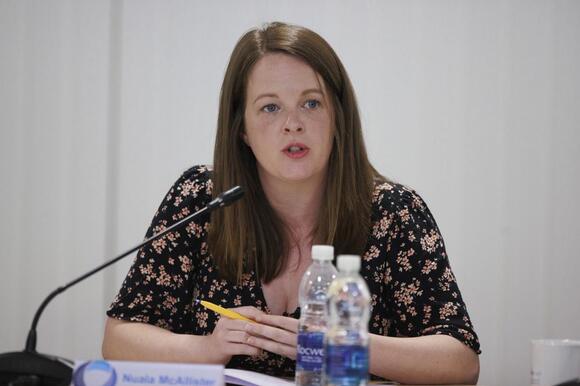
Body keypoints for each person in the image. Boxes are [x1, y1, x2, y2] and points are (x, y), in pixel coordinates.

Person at [102, 21, 480, 384]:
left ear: (338, 118)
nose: (293, 124)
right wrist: (208, 348)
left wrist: (343, 346)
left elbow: (459, 362)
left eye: (311, 104)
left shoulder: (393, 212)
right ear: (242, 130)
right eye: (270, 107)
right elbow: (119, 340)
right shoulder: (203, 199)